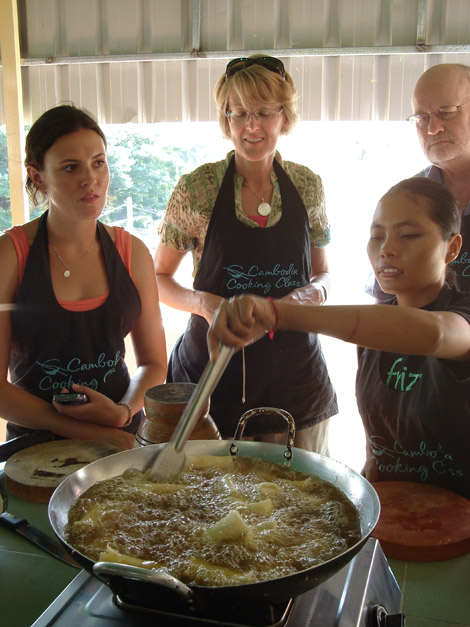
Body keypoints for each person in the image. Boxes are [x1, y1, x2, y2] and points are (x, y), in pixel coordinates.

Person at [208, 177, 470, 498]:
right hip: (390, 513)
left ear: (452, 248)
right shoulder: (374, 332)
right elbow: (380, 445)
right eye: (376, 236)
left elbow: (434, 334)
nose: (386, 249)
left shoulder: (461, 318)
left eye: (409, 235)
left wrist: (278, 313)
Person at [154, 55, 337, 452]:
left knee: (297, 504)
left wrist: (305, 297)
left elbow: (323, 274)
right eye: (238, 113)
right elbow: (158, 278)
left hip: (296, 382)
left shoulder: (308, 186)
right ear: (226, 120)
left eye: (263, 113)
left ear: (284, 118)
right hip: (211, 384)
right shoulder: (198, 188)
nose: (251, 126)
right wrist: (205, 303)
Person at [0, 105, 167, 450]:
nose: (90, 179)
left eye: (98, 162)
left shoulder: (131, 252)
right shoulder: (10, 255)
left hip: (119, 439)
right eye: (70, 167)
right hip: (36, 448)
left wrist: (122, 413)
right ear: (37, 176)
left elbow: (153, 363)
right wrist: (89, 431)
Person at [368, 62, 470, 299]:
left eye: (447, 112)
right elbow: (386, 301)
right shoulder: (405, 199)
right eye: (421, 118)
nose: (433, 128)